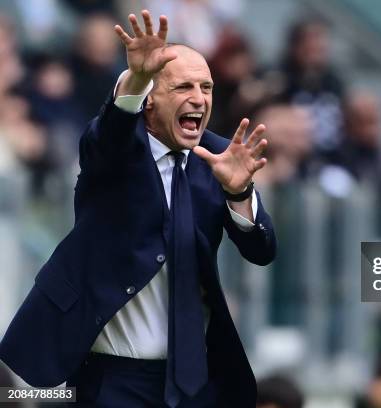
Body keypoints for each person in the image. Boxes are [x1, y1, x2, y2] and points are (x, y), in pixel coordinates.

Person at [0, 10, 276, 407]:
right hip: (114, 377)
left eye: (206, 87)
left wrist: (239, 193)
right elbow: (107, 136)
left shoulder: (219, 155)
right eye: (182, 87)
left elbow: (262, 252)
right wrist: (137, 80)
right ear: (149, 103)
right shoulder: (117, 150)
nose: (198, 98)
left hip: (195, 377)